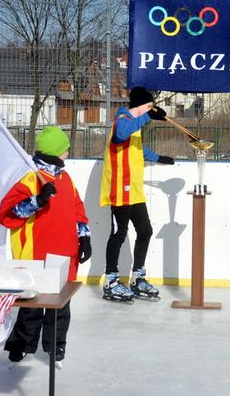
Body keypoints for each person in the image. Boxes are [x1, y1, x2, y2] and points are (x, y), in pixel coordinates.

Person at [0, 126, 91, 367]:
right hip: (36, 255)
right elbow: (7, 214)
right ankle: (21, 345)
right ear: (55, 151)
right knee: (32, 304)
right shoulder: (30, 178)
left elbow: (78, 209)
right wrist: (37, 200)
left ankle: (56, 345)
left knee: (61, 305)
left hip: (65, 253)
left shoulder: (65, 178)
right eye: (65, 149)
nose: (68, 153)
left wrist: (84, 237)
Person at [100, 86, 174, 302]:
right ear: (141, 106)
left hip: (134, 189)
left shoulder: (136, 125)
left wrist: (159, 158)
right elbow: (121, 136)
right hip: (119, 188)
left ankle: (137, 277)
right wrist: (148, 116)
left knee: (145, 231)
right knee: (119, 233)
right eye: (149, 106)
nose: (151, 110)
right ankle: (111, 280)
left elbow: (137, 150)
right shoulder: (122, 118)